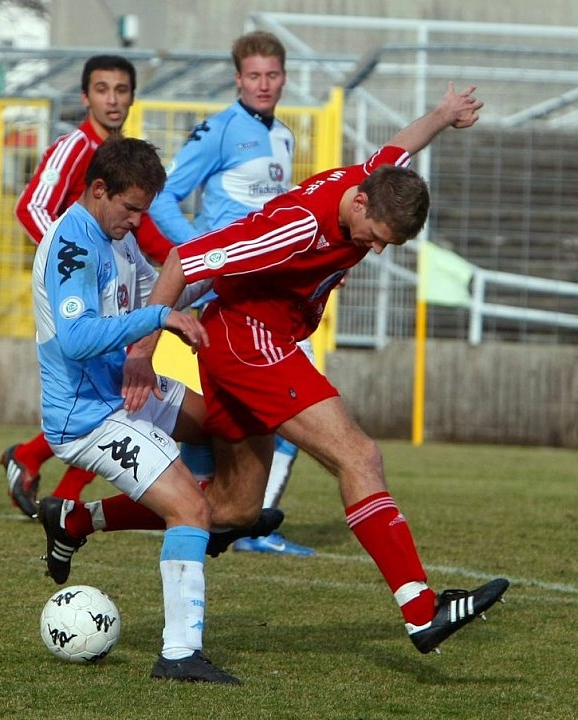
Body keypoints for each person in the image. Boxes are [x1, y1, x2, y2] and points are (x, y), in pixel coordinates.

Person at [123, 82, 511, 655]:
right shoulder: (296, 228)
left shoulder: (373, 182)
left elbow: (398, 150)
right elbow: (187, 257)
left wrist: (443, 114)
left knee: (236, 507)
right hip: (251, 342)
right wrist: (141, 348)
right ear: (360, 204)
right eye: (374, 238)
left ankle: (77, 521)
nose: (374, 250)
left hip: (253, 338)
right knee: (359, 455)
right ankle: (421, 610)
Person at [32, 135, 240, 683]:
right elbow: (76, 339)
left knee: (225, 426)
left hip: (127, 387)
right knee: (191, 510)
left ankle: (76, 518)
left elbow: (160, 297)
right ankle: (179, 654)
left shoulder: (116, 235)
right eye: (131, 210)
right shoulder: (72, 246)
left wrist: (227, 268)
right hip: (88, 418)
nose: (137, 223)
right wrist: (156, 323)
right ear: (99, 190)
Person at [149, 30, 314, 556]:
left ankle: (214, 517)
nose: (264, 85)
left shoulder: (284, 136)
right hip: (227, 287)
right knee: (293, 402)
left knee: (234, 412)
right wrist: (201, 251)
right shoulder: (217, 131)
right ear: (238, 79)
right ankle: (241, 521)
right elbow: (165, 197)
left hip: (266, 288)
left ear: (283, 78)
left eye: (272, 75)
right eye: (254, 76)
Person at [1, 54, 174, 518]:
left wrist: (182, 263)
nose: (113, 99)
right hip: (75, 296)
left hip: (111, 292)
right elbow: (31, 207)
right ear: (85, 97)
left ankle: (44, 474)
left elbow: (144, 230)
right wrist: (78, 266)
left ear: (132, 97)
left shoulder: (127, 161)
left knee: (123, 396)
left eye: (121, 90)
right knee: (112, 398)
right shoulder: (74, 146)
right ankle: (61, 491)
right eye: (102, 90)